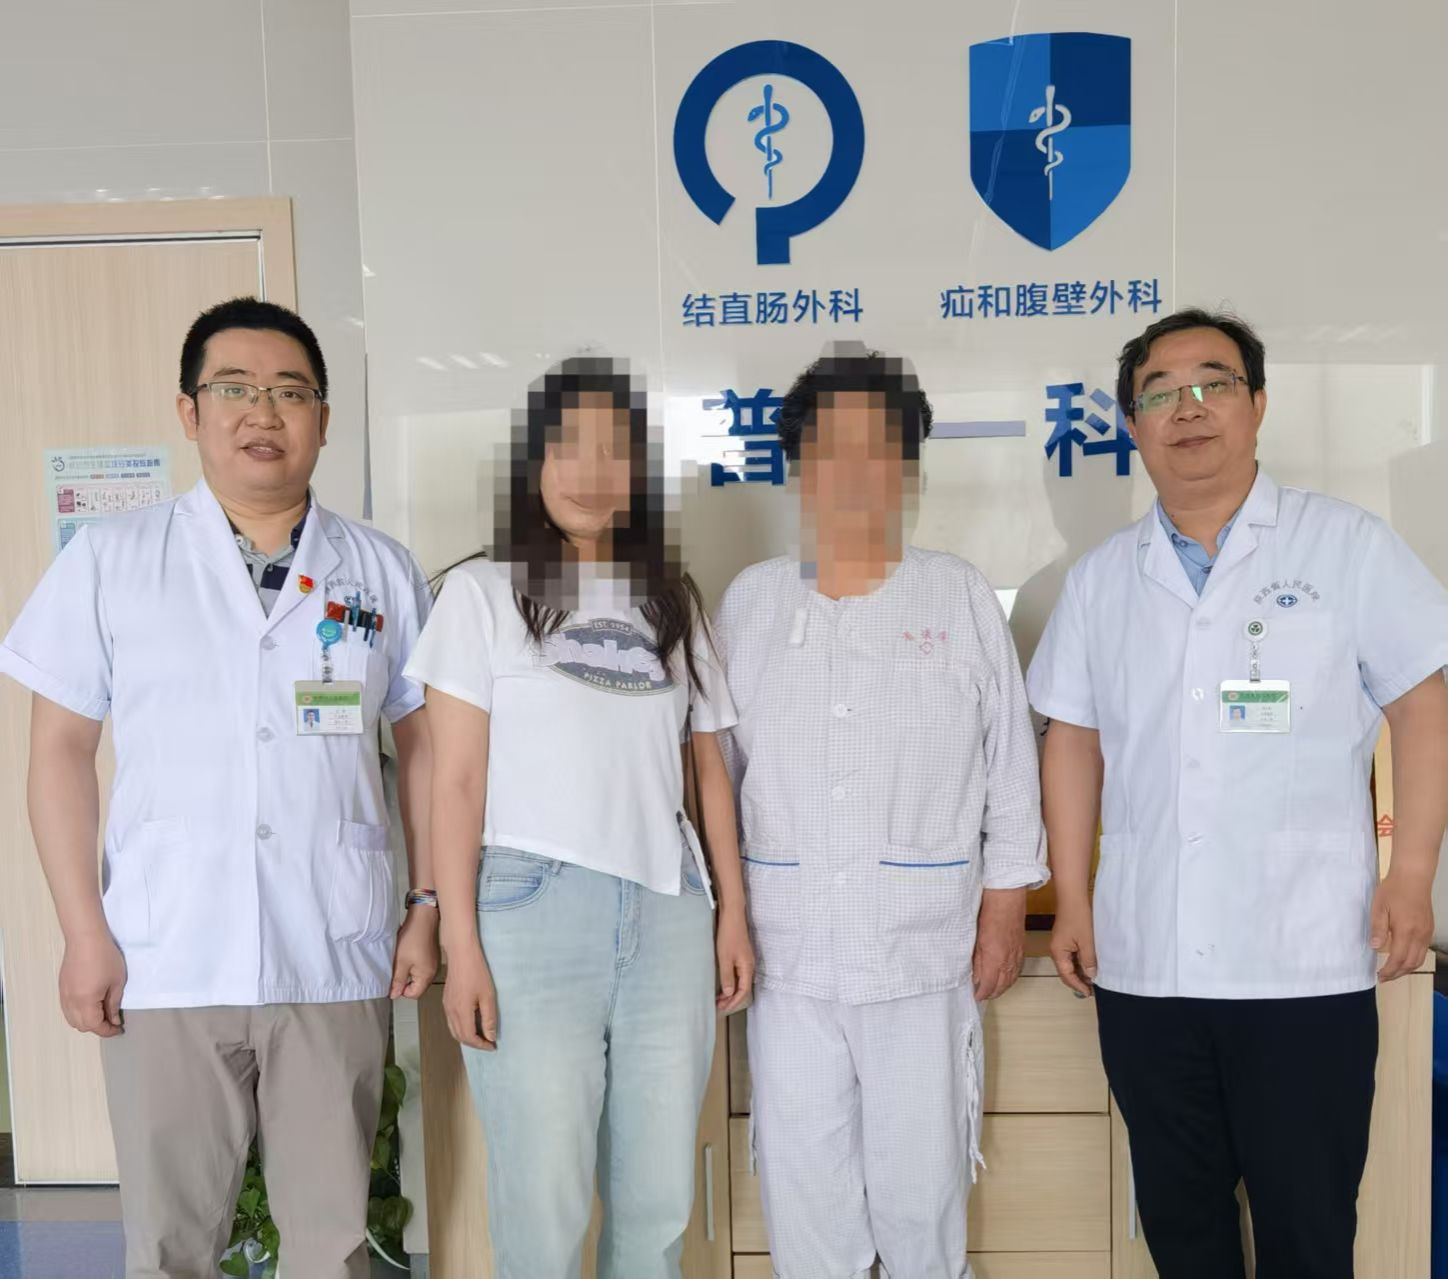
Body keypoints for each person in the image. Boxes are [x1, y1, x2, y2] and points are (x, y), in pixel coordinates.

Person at [0, 297, 437, 1279]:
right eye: (234, 388)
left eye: (290, 392)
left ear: (323, 417)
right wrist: (83, 931)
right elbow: (59, 751)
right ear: (189, 412)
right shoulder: (113, 560)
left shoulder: (379, 571)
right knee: (169, 1244)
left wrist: (426, 904)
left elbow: (424, 752)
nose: (263, 412)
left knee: (334, 1244)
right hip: (167, 953)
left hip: (330, 950)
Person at [1027, 308, 1448, 1279]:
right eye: (1159, 393)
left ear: (1256, 404)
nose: (1188, 408)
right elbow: (1072, 741)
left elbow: (1423, 704)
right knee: (1183, 1232)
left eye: (1212, 383)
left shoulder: (1344, 546)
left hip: (1302, 963)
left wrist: (1411, 871)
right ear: (1132, 424)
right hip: (1148, 966)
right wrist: (1075, 899)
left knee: (1308, 1230)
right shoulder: (1101, 580)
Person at [406, 356, 753, 1278]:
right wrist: (461, 944)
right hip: (531, 912)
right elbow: (455, 784)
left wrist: (731, 913)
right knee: (544, 1207)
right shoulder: (481, 594)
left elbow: (708, 769)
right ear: (532, 463)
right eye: (571, 447)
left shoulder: (671, 599)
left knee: (657, 1206)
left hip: (669, 913)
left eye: (617, 449)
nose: (594, 470)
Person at [714, 345, 1047, 1278]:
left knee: (920, 1190)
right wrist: (726, 913)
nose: (856, 471)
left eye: (881, 448)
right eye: (832, 447)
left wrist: (1006, 902)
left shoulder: (956, 592)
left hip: (922, 947)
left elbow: (1010, 764)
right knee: (806, 1189)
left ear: (910, 466)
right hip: (789, 953)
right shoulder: (751, 602)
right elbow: (719, 780)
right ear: (796, 464)